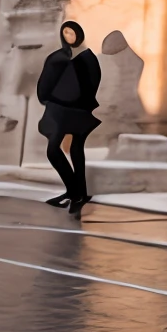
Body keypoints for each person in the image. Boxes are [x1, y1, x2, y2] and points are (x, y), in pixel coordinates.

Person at [36, 21, 102, 214]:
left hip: (78, 110)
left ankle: (77, 191)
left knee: (75, 148)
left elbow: (92, 83)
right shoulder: (58, 57)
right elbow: (46, 80)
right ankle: (75, 190)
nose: (68, 36)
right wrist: (49, 99)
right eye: (65, 33)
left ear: (79, 34)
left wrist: (78, 100)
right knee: (54, 149)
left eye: (71, 33)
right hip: (58, 109)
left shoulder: (87, 57)